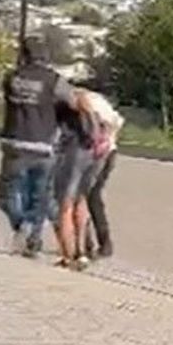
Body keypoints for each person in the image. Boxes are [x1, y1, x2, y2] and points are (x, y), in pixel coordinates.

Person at [0, 36, 86, 258]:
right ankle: (31, 235)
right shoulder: (54, 81)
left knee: (5, 197)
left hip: (14, 143)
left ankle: (24, 228)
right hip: (43, 145)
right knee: (39, 198)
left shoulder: (11, 78)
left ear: (23, 55)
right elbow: (74, 102)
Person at [52, 97, 99, 270]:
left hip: (70, 157)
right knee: (80, 201)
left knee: (65, 207)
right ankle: (82, 252)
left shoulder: (63, 105)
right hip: (89, 155)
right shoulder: (89, 110)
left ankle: (68, 256)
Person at [82, 89, 125, 259]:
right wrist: (110, 139)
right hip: (108, 152)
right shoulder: (99, 101)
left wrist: (101, 138)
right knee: (92, 197)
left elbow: (110, 122)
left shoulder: (87, 101)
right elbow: (118, 121)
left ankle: (89, 244)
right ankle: (101, 243)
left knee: (83, 198)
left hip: (96, 154)